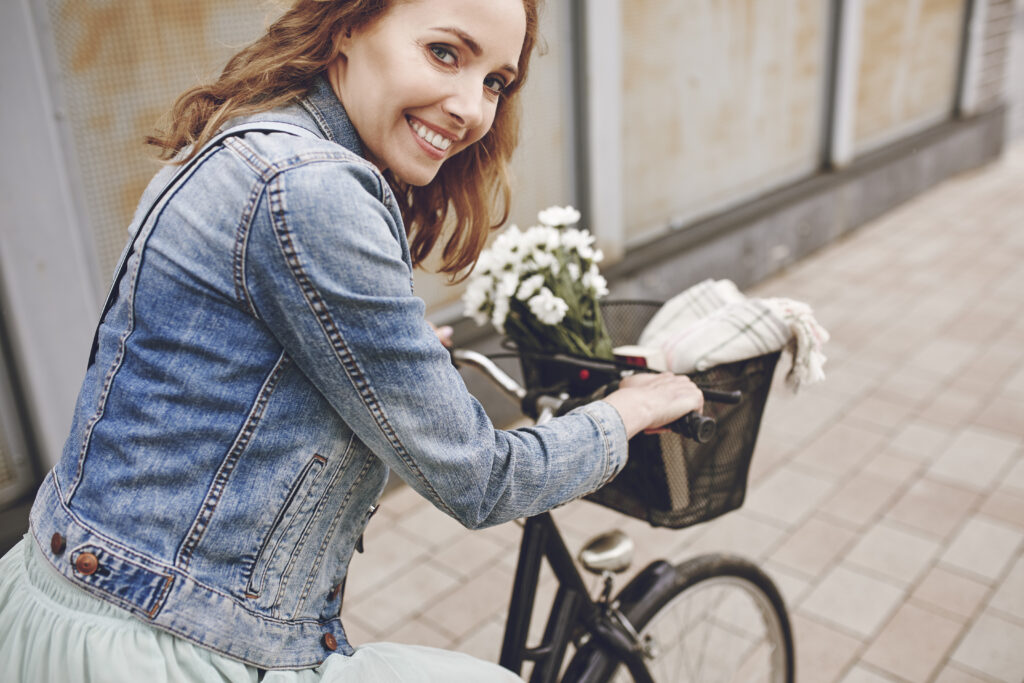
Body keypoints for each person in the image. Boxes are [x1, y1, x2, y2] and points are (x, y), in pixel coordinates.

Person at [0, 0, 704, 680]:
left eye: (495, 80)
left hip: (80, 597)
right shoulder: (311, 189)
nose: (470, 107)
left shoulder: (253, 134)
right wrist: (630, 409)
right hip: (165, 646)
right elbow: (481, 480)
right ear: (349, 24)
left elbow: (207, 361)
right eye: (444, 52)